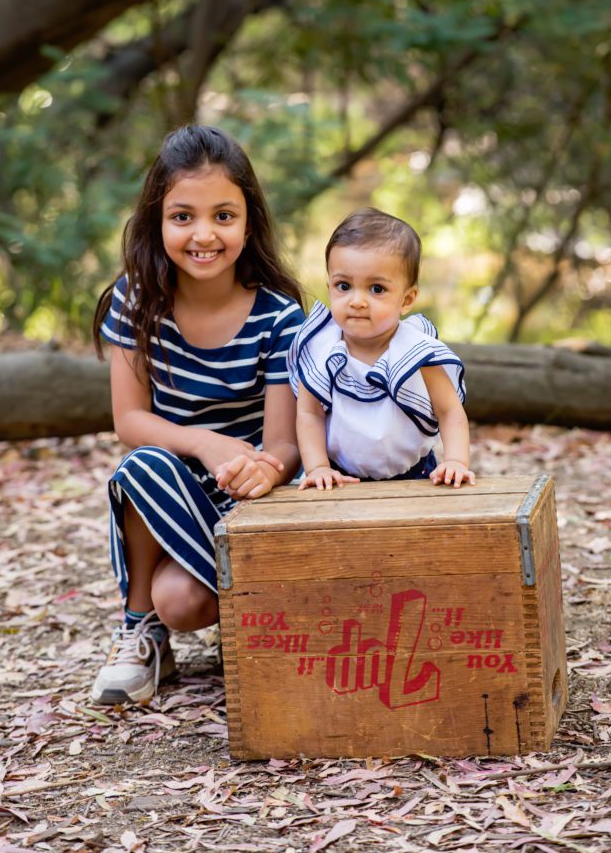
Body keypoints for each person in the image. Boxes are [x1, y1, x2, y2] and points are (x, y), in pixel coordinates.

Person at [90, 125, 304, 704]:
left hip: (253, 497)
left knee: (188, 599)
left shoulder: (280, 319)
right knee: (142, 466)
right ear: (157, 223)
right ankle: (141, 630)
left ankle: (264, 619)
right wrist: (205, 442)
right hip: (174, 490)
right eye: (183, 216)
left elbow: (286, 444)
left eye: (223, 217)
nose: (203, 234)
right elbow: (129, 422)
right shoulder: (136, 301)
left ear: (249, 223)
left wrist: (268, 470)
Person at [288, 208, 475, 490]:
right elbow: (309, 413)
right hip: (340, 476)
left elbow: (450, 411)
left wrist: (457, 462)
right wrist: (317, 467)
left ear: (407, 299)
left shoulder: (416, 353)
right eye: (344, 286)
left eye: (376, 289)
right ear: (329, 287)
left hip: (416, 474)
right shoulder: (321, 350)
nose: (357, 301)